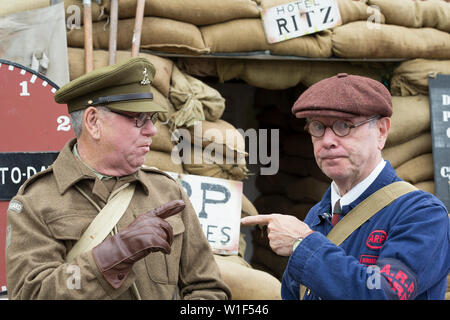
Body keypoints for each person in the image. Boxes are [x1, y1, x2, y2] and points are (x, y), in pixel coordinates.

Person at [6, 57, 230, 300]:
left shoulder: (166, 192)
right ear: (93, 122)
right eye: (138, 118)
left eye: (152, 118)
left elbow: (208, 289)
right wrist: (111, 257)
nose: (152, 130)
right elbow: (32, 294)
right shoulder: (37, 202)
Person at [241, 73, 450, 300]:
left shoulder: (422, 214)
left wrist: (303, 244)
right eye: (318, 127)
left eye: (344, 125)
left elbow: (383, 294)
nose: (328, 140)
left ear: (381, 131)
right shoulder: (318, 215)